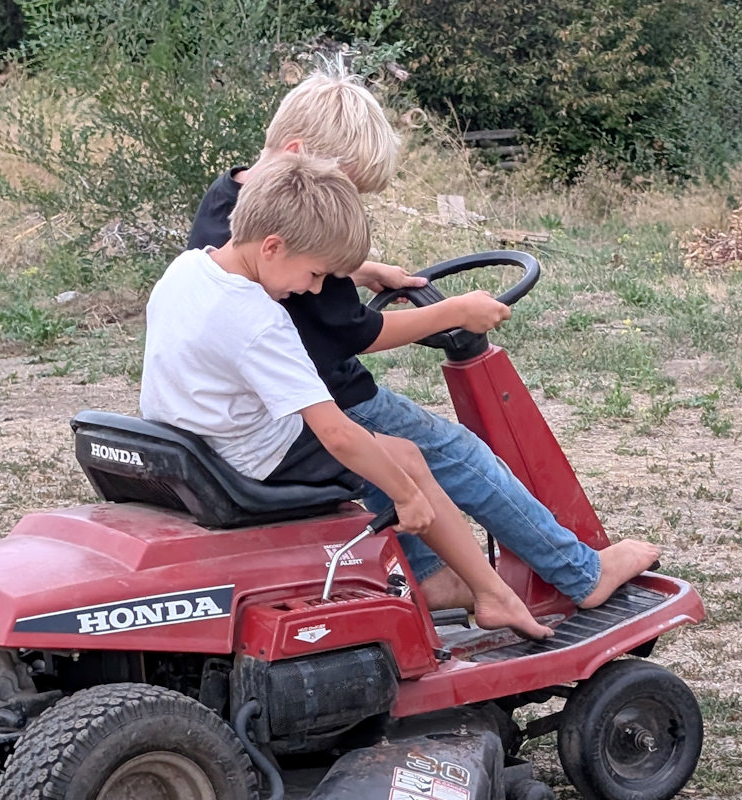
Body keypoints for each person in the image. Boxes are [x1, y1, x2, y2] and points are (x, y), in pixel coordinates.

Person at [186, 70, 659, 613]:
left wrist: (359, 269)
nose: (342, 202)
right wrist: (457, 311)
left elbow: (297, 272)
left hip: (260, 405)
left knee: (397, 462)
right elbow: (361, 333)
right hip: (319, 403)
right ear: (296, 156)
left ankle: (432, 577)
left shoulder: (228, 202)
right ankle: (581, 571)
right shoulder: (287, 248)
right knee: (457, 454)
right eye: (340, 188)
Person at [140, 153, 553, 640]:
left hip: (193, 443)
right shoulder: (259, 321)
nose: (311, 289)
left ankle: (446, 584)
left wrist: (358, 271)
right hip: (248, 458)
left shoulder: (187, 269)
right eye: (315, 275)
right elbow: (336, 434)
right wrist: (406, 495)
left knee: (389, 452)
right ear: (273, 246)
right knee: (405, 456)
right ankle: (493, 595)